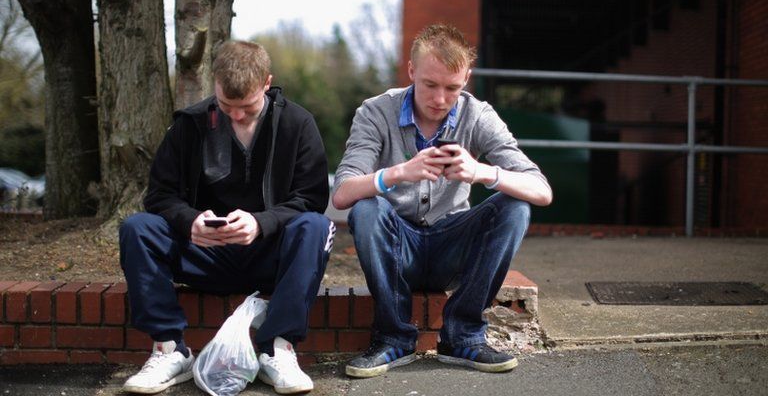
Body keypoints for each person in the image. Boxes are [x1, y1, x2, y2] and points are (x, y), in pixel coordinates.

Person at [332, 24, 552, 378]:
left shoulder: (478, 114)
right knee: (367, 207)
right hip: (396, 243)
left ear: (467, 78)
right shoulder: (375, 112)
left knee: (515, 206)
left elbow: (542, 191)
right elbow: (342, 194)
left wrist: (481, 172)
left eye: (453, 88)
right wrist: (399, 173)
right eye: (430, 85)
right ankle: (392, 338)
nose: (440, 98)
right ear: (411, 71)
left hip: (453, 246)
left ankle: (463, 335)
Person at [119, 40, 334, 394]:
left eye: (246, 106)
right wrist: (190, 221)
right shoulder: (190, 125)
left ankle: (278, 348)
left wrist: (262, 222)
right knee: (137, 228)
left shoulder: (297, 124)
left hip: (269, 254)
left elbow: (311, 198)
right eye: (225, 105)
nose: (236, 115)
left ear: (267, 83)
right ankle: (169, 349)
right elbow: (158, 196)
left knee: (315, 226)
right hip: (203, 253)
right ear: (214, 84)